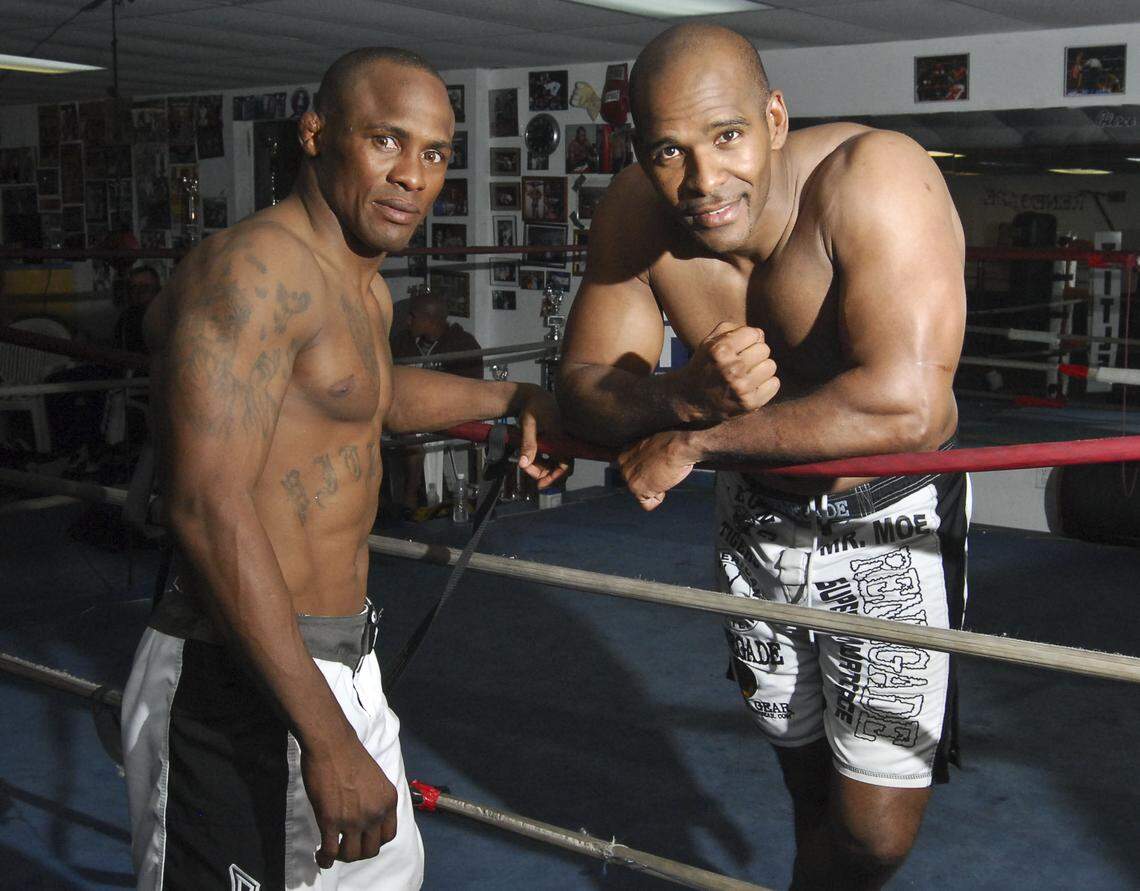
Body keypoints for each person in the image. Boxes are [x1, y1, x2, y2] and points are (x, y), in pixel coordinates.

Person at [122, 47, 568, 891]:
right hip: (241, 673)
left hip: (341, 659)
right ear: (317, 133)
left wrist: (512, 396)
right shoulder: (251, 272)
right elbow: (205, 505)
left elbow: (364, 394)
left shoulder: (361, 286)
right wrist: (325, 739)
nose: (413, 176)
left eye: (434, 154)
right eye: (387, 142)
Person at [558, 23, 966, 891]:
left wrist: (697, 438)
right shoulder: (638, 213)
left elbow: (910, 404)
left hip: (885, 521)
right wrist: (679, 397)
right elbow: (582, 388)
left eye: (728, 137)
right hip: (756, 519)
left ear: (775, 118)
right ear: (638, 150)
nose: (703, 182)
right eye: (669, 150)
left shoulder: (874, 178)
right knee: (803, 774)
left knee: (876, 831)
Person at [390, 287, 483, 518]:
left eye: (413, 316)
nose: (408, 320)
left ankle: (409, 498)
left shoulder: (462, 344)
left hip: (445, 412)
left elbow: (470, 390)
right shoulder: (402, 341)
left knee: (411, 434)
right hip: (405, 409)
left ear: (429, 319)